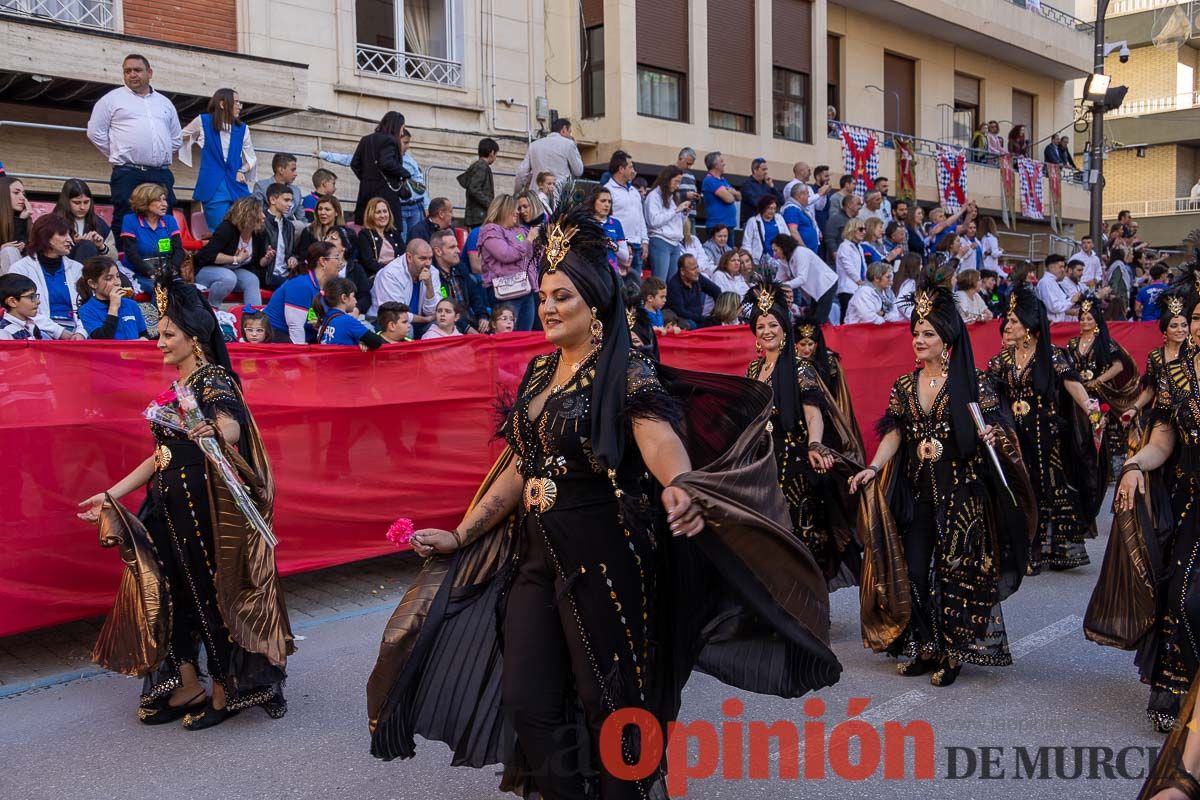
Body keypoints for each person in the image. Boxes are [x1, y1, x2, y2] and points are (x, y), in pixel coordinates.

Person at [365, 204, 841, 797]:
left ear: (596, 307)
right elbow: (518, 465)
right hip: (534, 562)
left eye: (562, 296)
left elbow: (657, 436)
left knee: (612, 709)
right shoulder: (540, 373)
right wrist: (463, 533)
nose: (548, 307)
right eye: (544, 296)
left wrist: (682, 485)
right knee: (528, 700)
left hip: (605, 560)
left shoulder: (626, 372)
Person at [78, 267, 291, 729]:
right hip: (166, 506)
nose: (159, 342)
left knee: (206, 592)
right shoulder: (177, 388)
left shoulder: (212, 379)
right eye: (158, 333)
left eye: (167, 334)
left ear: (194, 337)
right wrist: (110, 495)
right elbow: (161, 455)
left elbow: (229, 421)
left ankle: (224, 689)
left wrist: (216, 430)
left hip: (200, 510)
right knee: (170, 592)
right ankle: (188, 681)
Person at [850, 268, 1035, 686]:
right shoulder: (903, 385)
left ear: (946, 341)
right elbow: (895, 432)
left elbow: (998, 425)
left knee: (954, 571)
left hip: (962, 493)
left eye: (928, 334)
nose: (919, 340)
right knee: (914, 570)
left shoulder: (972, 383)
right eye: (915, 332)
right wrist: (873, 467)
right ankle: (926, 643)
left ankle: (952, 652)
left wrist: (993, 432)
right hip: (918, 492)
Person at [1106, 277, 1200, 734]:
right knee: (1182, 596)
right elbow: (1164, 437)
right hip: (1191, 505)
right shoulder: (1176, 376)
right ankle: (1181, 690)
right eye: (1195, 318)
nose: (1196, 327)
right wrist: (1135, 465)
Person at [746, 284, 861, 588]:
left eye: (773, 324)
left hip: (794, 463)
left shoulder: (800, 369)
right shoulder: (753, 369)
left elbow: (813, 413)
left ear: (784, 329)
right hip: (762, 465)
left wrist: (814, 443)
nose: (767, 331)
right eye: (760, 326)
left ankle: (811, 601)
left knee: (803, 533)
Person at [987, 284, 1101, 574]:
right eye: (1008, 320)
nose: (1008, 325)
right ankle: (1023, 546)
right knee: (1018, 486)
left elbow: (1071, 382)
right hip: (1013, 433)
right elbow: (987, 394)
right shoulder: (1001, 361)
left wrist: (1089, 407)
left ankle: (1042, 548)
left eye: (1013, 321)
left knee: (1043, 487)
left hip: (1043, 433)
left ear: (1028, 325)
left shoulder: (1050, 355)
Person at [86, 54, 181, 237]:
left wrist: (159, 153)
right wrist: (119, 152)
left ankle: (164, 257)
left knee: (164, 217)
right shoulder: (111, 100)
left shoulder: (165, 103)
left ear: (150, 73)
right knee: (126, 216)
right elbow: (95, 132)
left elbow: (175, 138)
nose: (132, 75)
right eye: (127, 71)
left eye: (137, 70)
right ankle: (123, 260)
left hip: (160, 172)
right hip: (128, 172)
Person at [1066, 294, 1140, 486]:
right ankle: (1086, 468)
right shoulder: (1072, 344)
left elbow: (1118, 367)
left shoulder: (1104, 342)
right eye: (1082, 318)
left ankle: (1108, 470)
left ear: (1096, 320)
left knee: (1103, 429)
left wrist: (1097, 381)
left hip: (1100, 394)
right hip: (1079, 395)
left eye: (1089, 318)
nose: (1085, 321)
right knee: (1080, 430)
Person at [180, 88, 255, 233]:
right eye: (236, 102)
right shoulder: (203, 121)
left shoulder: (243, 128)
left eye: (240, 103)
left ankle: (243, 256)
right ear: (222, 104)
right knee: (219, 231)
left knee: (246, 229)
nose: (239, 106)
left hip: (237, 186)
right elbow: (179, 137)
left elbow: (251, 159)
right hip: (213, 186)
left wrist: (242, 170)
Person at [7, 214, 86, 338]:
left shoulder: (78, 268)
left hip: (76, 331)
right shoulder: (20, 268)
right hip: (40, 330)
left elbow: (87, 306)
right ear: (45, 237)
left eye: (69, 234)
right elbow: (20, 310)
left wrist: (81, 333)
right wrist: (60, 332)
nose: (70, 240)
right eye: (62, 234)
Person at [193, 196, 267, 308]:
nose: (263, 216)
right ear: (248, 215)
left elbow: (256, 263)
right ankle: (212, 309)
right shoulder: (227, 228)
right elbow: (206, 255)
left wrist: (266, 259)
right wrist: (235, 259)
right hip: (206, 270)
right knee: (228, 277)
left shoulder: (258, 233)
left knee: (252, 279)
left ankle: (254, 317)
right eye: (259, 212)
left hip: (234, 271)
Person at [478, 194, 539, 331]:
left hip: (526, 289)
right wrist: (528, 241)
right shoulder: (490, 230)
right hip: (506, 293)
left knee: (524, 335)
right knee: (508, 336)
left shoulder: (521, 230)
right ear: (504, 209)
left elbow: (533, 256)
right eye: (514, 208)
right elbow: (505, 255)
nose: (518, 212)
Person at [264, 241, 342, 343]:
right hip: (275, 333)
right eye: (336, 258)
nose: (340, 263)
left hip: (299, 333)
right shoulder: (301, 285)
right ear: (323, 261)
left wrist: (315, 322)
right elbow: (295, 327)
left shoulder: (320, 285)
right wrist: (301, 356)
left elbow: (311, 312)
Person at [118, 183, 184, 294]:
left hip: (166, 272)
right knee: (158, 289)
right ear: (145, 202)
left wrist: (172, 269)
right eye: (159, 200)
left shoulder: (169, 220)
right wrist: (151, 272)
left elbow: (178, 250)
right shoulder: (130, 220)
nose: (165, 204)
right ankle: (159, 312)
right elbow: (131, 254)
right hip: (138, 272)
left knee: (184, 289)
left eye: (165, 200)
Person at [351, 111, 412, 228]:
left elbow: (355, 164)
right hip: (386, 193)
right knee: (391, 229)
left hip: (366, 192)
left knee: (368, 228)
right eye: (402, 127)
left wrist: (367, 179)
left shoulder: (366, 139)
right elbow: (386, 162)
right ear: (396, 126)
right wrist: (405, 173)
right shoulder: (390, 140)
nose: (402, 131)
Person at [369, 238, 440, 335]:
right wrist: (425, 319)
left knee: (443, 324)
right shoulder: (390, 274)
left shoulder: (432, 271)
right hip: (385, 322)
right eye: (422, 258)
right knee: (405, 328)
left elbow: (431, 311)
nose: (428, 263)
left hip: (419, 322)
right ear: (409, 257)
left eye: (430, 258)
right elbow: (395, 314)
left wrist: (429, 286)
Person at [430, 228, 489, 333]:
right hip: (447, 326)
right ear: (438, 251)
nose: (458, 251)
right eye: (452, 247)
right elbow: (443, 313)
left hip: (468, 319)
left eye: (457, 246)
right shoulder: (433, 276)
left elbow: (475, 296)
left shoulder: (460, 267)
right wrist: (467, 329)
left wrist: (482, 317)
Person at [75, 257, 149, 340]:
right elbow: (103, 338)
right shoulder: (87, 310)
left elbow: (144, 333)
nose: (117, 282)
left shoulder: (131, 304)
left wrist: (143, 339)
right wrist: (113, 307)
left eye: (117, 276)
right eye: (109, 278)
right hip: (109, 353)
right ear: (93, 284)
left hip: (133, 352)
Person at [772, 234, 837, 324]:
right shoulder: (784, 260)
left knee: (819, 319)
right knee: (812, 317)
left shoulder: (800, 253)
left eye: (776, 250)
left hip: (826, 285)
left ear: (783, 247)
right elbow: (778, 280)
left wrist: (782, 286)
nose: (774, 254)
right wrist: (770, 288)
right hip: (815, 290)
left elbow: (802, 279)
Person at [514, 117, 584, 197]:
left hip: (536, 195)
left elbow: (521, 172)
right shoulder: (569, 144)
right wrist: (575, 148)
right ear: (564, 129)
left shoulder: (534, 145)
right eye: (570, 132)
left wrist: (516, 192)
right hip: (560, 195)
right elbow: (578, 170)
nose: (570, 136)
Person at [644, 166, 691, 282]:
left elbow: (675, 221)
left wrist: (684, 214)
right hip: (660, 241)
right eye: (676, 181)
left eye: (679, 182)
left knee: (673, 283)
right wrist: (675, 210)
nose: (677, 186)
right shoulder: (654, 196)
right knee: (660, 282)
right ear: (667, 179)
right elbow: (653, 221)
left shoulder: (672, 197)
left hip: (675, 243)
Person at [603, 150, 646, 276]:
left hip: (637, 245)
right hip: (619, 246)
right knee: (619, 286)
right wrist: (619, 245)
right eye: (630, 167)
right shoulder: (607, 190)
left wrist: (645, 241)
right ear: (621, 169)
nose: (633, 170)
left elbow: (640, 217)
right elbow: (606, 219)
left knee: (636, 288)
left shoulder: (634, 191)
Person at [53, 179, 115, 264]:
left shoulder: (99, 223)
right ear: (66, 202)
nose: (82, 207)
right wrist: (72, 244)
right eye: (77, 202)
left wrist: (101, 246)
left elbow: (115, 257)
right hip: (63, 269)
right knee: (86, 245)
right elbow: (44, 251)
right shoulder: (53, 222)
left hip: (95, 270)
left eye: (86, 202)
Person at [314, 276, 385, 349]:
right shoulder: (347, 321)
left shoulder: (325, 317)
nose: (356, 301)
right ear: (344, 298)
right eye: (353, 296)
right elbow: (376, 342)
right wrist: (362, 341)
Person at [665, 253, 721, 330]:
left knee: (717, 321)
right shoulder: (674, 286)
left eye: (697, 267)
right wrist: (702, 318)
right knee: (691, 325)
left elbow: (716, 291)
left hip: (698, 317)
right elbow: (681, 312)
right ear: (682, 271)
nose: (697, 271)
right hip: (682, 319)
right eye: (693, 269)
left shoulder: (697, 277)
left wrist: (717, 312)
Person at [588, 186, 630, 278]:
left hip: (611, 274)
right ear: (593, 202)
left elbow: (625, 256)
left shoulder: (616, 223)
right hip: (590, 272)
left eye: (609, 202)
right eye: (603, 201)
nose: (607, 205)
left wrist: (612, 245)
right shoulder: (585, 222)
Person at [252, 153, 304, 223]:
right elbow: (256, 213)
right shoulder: (261, 187)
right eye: (293, 170)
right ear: (281, 170)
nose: (296, 174)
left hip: (289, 228)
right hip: (267, 226)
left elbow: (302, 218)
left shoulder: (296, 191)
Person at [458, 137, 499, 228]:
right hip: (479, 216)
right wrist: (491, 204)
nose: (496, 158)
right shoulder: (481, 166)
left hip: (477, 215)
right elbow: (474, 189)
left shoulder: (478, 166)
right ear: (492, 153)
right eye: (496, 154)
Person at [397, 130, 429, 238]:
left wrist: (426, 205)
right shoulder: (389, 158)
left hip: (415, 205)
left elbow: (419, 185)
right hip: (400, 206)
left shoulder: (410, 160)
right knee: (402, 240)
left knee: (415, 240)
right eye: (405, 143)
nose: (407, 146)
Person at [701, 151, 741, 235]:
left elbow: (739, 197)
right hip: (717, 227)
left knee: (729, 249)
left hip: (728, 225)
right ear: (715, 165)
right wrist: (731, 193)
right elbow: (729, 199)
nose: (724, 163)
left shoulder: (723, 180)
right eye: (721, 161)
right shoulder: (710, 180)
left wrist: (731, 192)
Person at [835, 218, 868, 318]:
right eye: (861, 229)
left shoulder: (859, 247)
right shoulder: (844, 246)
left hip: (859, 288)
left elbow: (863, 266)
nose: (864, 232)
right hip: (847, 289)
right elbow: (848, 267)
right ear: (852, 230)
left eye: (865, 229)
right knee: (847, 317)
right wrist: (859, 281)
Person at [0, 273, 46, 340]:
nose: (38, 302)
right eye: (31, 297)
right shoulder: (4, 332)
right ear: (12, 302)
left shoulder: (32, 325)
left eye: (36, 296)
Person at [739, 157, 783, 228]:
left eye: (766, 169)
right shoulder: (747, 185)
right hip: (752, 223)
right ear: (755, 170)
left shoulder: (767, 184)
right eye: (763, 169)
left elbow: (781, 200)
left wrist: (772, 187)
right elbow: (756, 203)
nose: (766, 172)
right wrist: (770, 203)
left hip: (768, 222)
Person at [1035, 253, 1078, 323]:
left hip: (1059, 322)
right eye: (1060, 267)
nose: (1063, 270)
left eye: (1063, 267)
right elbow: (1054, 307)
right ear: (1051, 267)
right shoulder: (1045, 282)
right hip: (1052, 324)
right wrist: (1071, 301)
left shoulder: (1053, 282)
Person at [741, 195, 783, 264]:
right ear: (763, 208)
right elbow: (746, 243)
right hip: (758, 260)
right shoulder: (752, 221)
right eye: (770, 208)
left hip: (778, 259)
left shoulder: (779, 218)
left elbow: (787, 237)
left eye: (774, 209)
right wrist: (749, 261)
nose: (772, 211)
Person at [0, 175, 30, 270]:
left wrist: (21, 220)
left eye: (23, 194)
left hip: (21, 275)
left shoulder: (24, 219)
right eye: (16, 193)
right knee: (8, 251)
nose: (22, 198)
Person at [782, 183, 820, 253]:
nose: (809, 196)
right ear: (800, 195)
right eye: (807, 193)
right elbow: (793, 232)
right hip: (802, 253)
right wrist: (804, 249)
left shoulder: (800, 209)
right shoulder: (791, 209)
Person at [824, 194, 862, 261]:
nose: (860, 207)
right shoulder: (835, 219)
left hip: (854, 257)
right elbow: (830, 239)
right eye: (858, 204)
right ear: (849, 205)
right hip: (839, 259)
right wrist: (835, 255)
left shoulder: (857, 221)